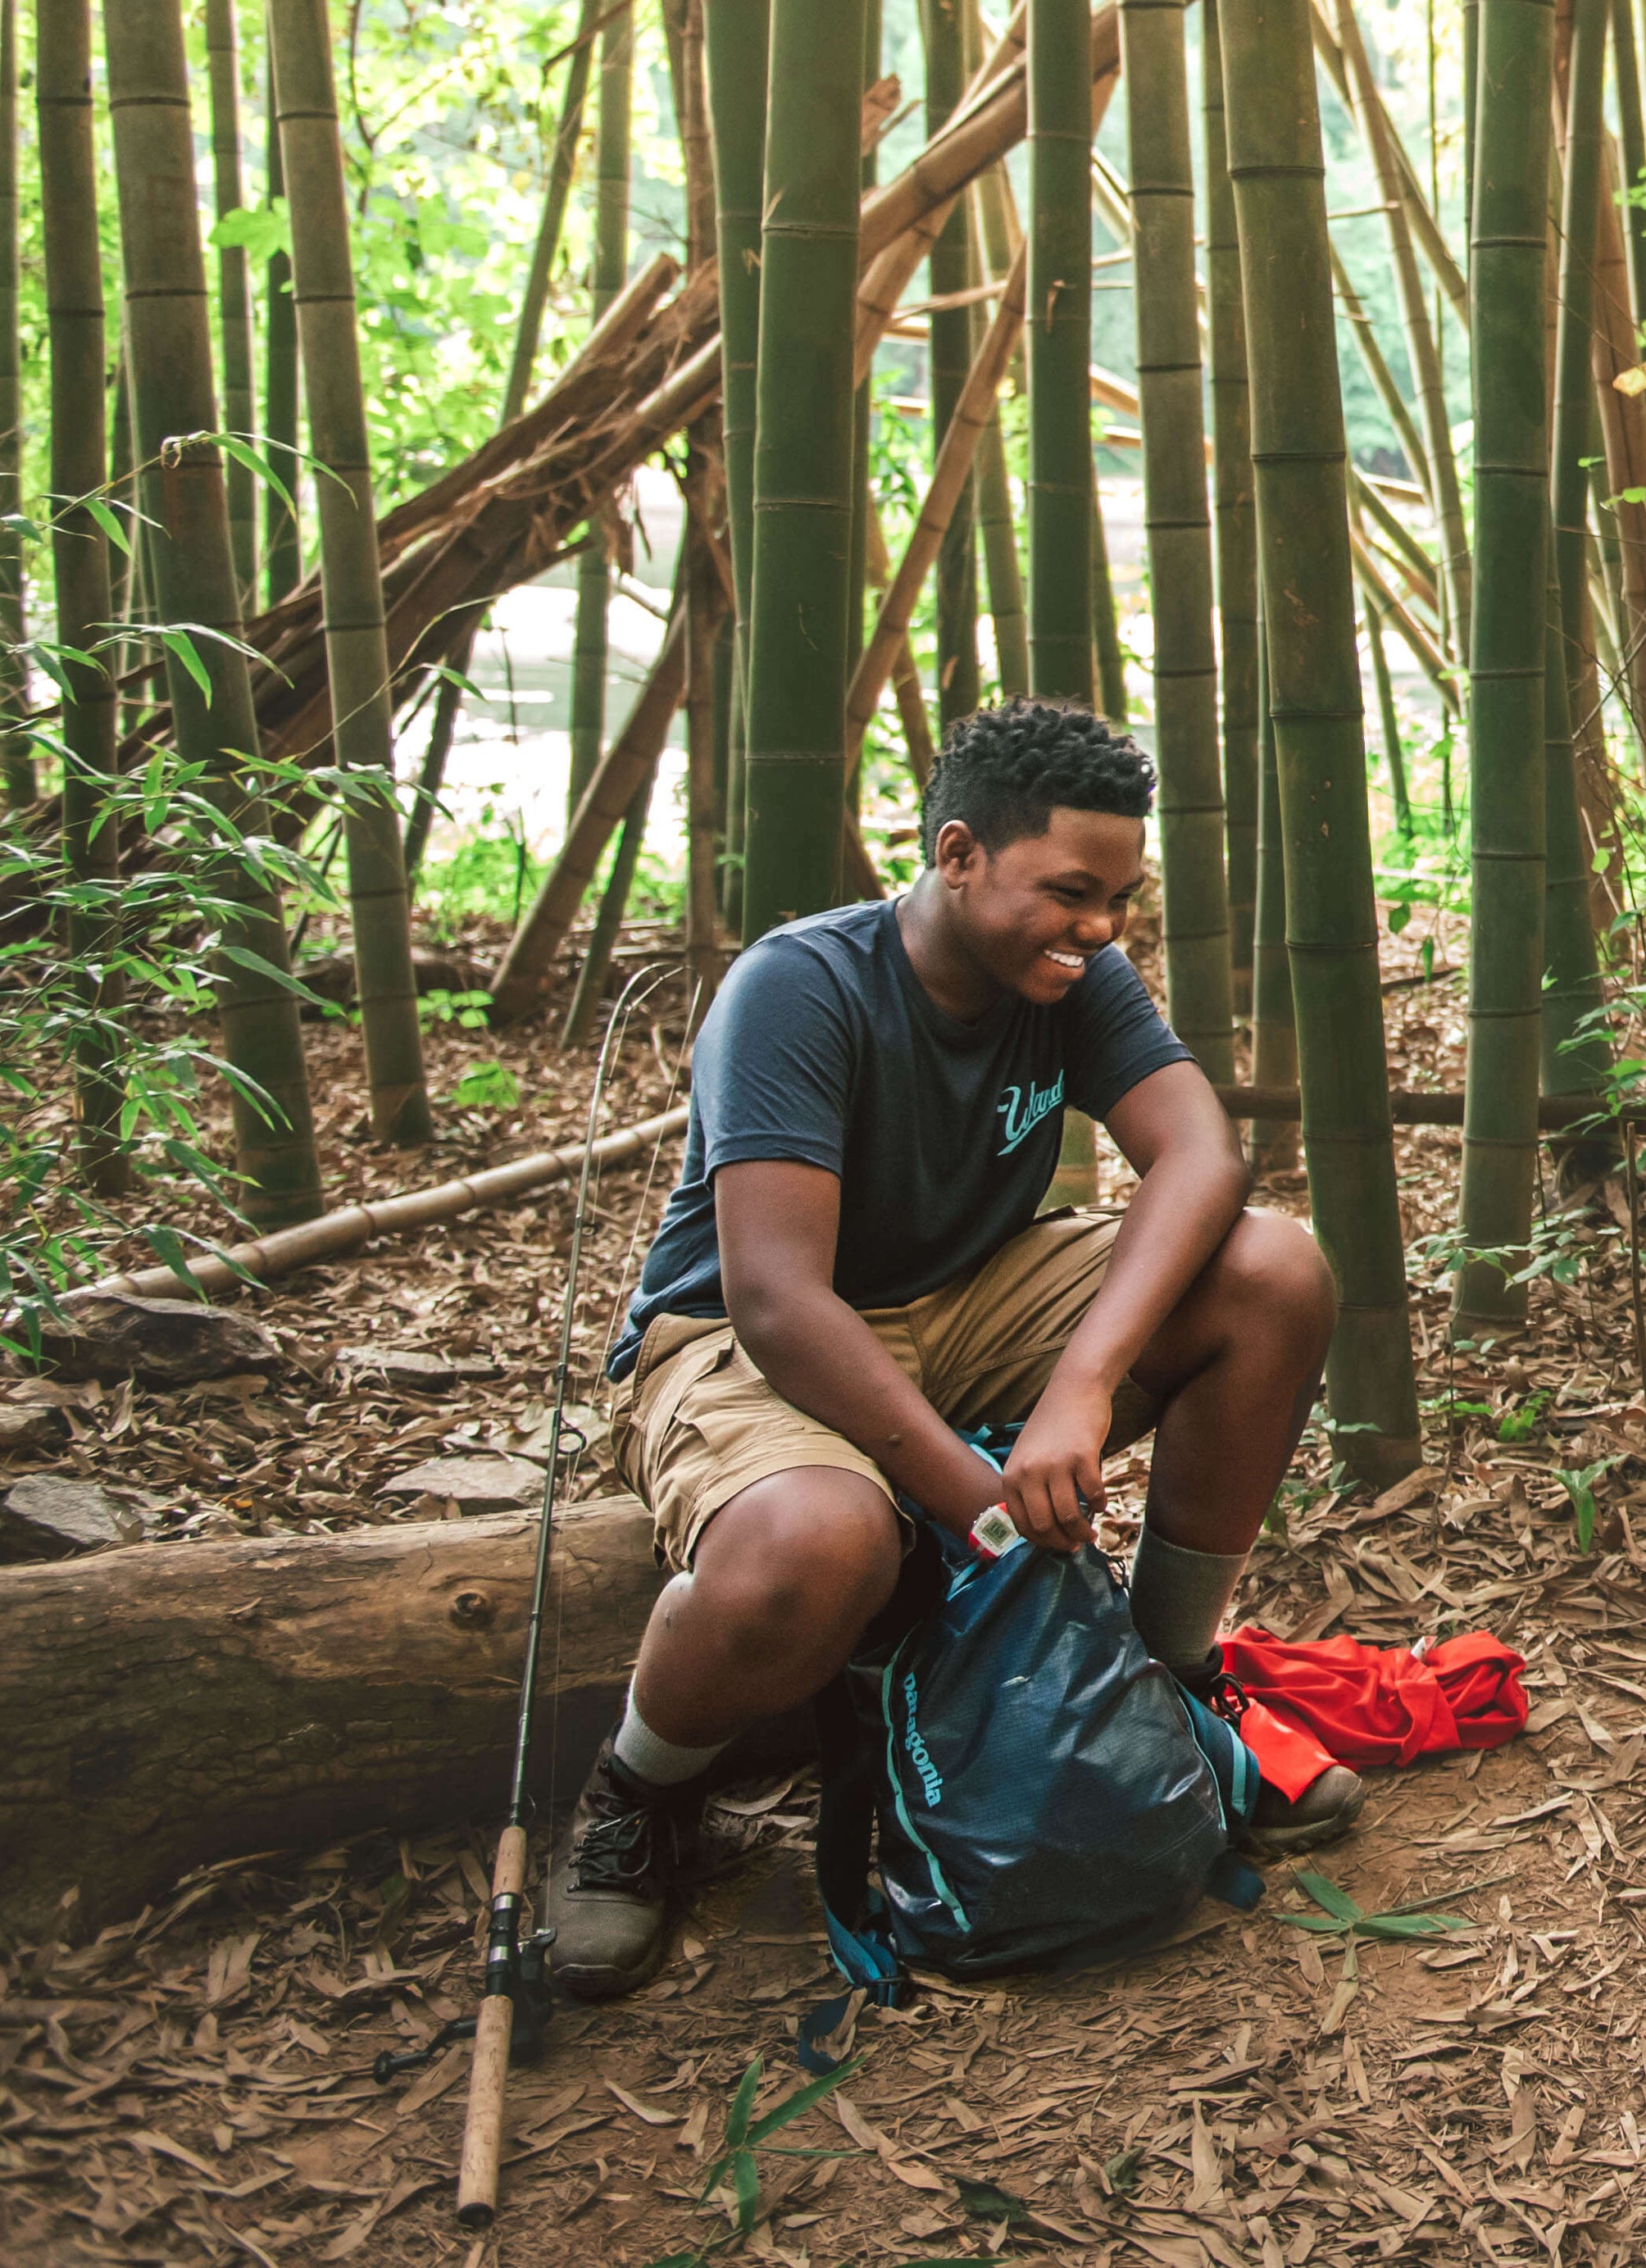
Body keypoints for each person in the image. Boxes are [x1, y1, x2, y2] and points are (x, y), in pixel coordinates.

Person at [545, 702, 1355, 2002]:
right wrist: (967, 1495)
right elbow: (775, 1298)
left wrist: (1081, 1389)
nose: (1101, 928)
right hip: (750, 1338)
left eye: (1121, 899)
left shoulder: (1078, 976)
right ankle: (639, 1793)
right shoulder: (802, 987)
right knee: (822, 1546)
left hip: (969, 1296)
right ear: (960, 852)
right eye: (1072, 893)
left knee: (1272, 1269)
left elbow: (1202, 1155)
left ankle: (1170, 1679)